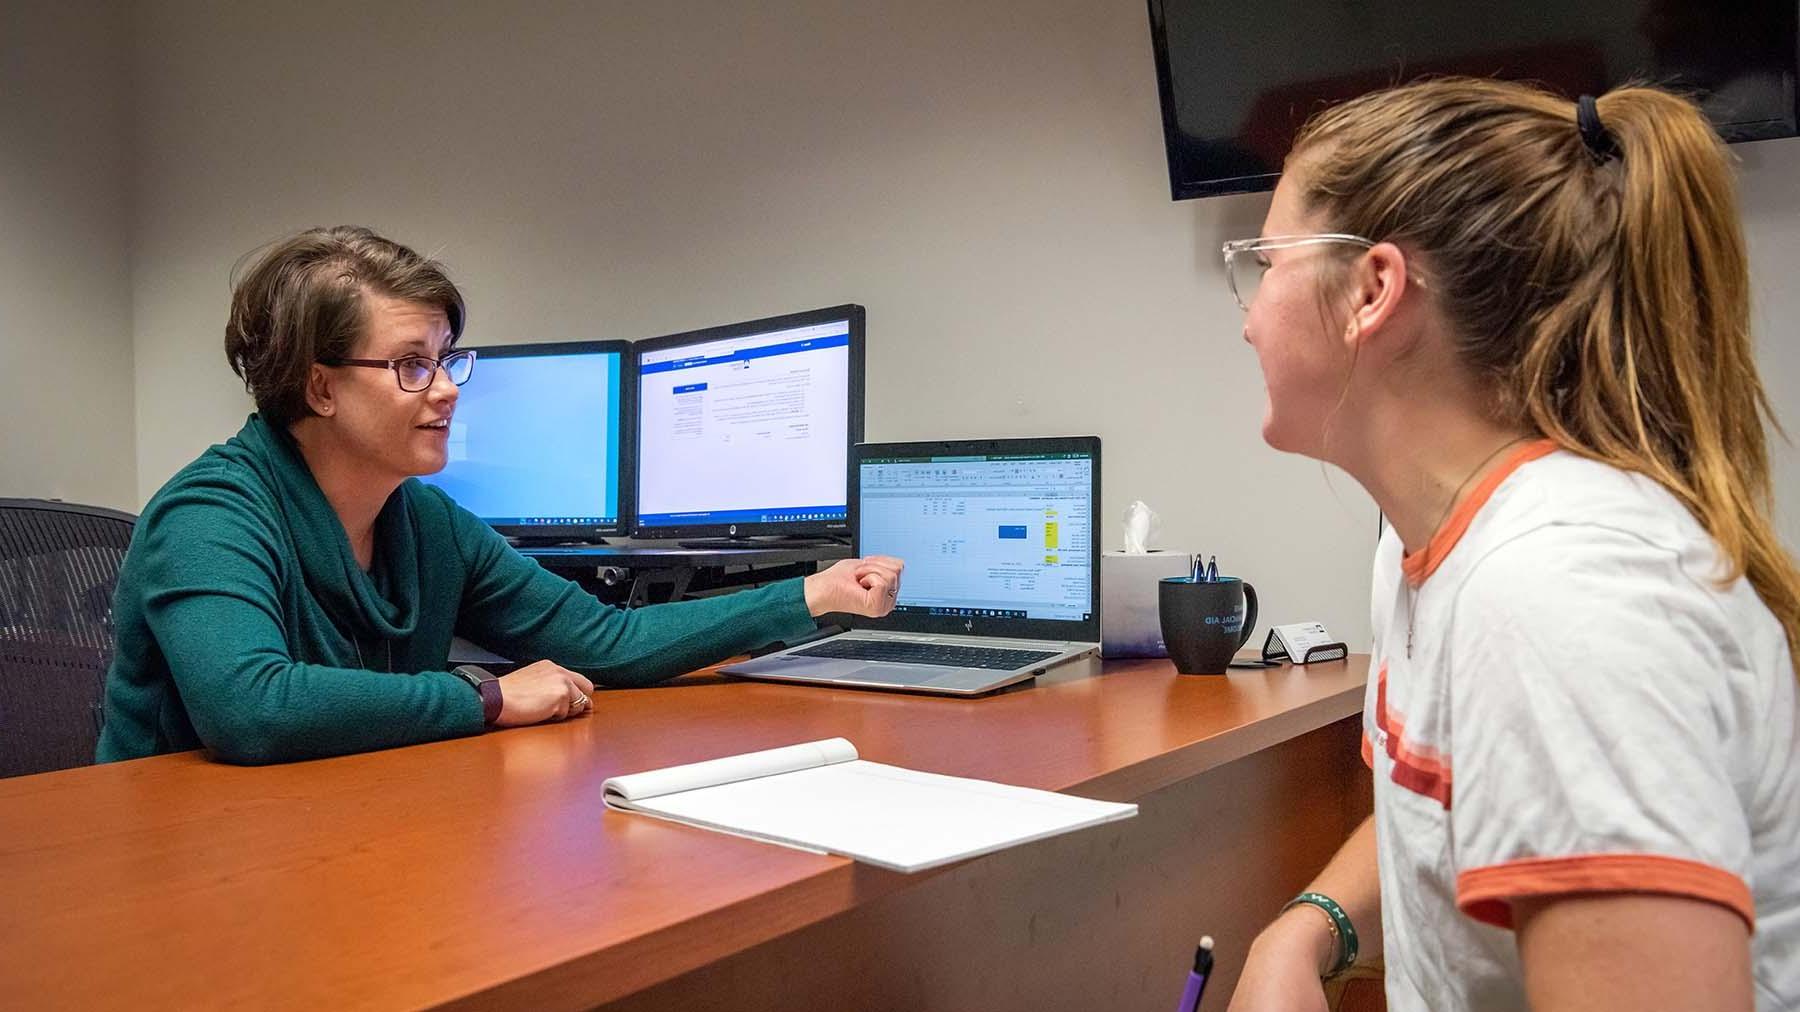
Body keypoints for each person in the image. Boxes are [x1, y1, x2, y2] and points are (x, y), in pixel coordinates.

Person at [1221, 80, 1799, 1010]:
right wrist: (1309, 927)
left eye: (1263, 261)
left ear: (1372, 290)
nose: (1247, 316)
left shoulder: (1560, 600)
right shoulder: (1429, 550)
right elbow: (1452, 816)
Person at [96, 226, 903, 765]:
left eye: (449, 359)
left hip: (339, 824)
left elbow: (604, 642)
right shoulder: (209, 515)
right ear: (319, 386)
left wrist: (811, 593)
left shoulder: (424, 523)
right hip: (181, 859)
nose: (447, 390)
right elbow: (252, 708)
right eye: (413, 364)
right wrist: (483, 697)